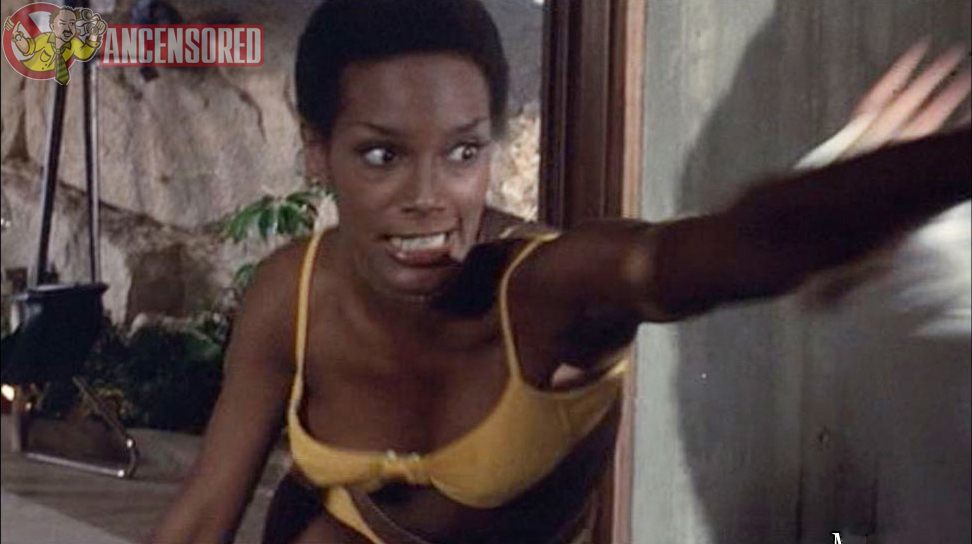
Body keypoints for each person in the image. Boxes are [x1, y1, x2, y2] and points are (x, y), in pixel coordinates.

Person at [150, 1, 971, 543]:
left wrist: (882, 186)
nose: (429, 199)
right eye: (381, 155)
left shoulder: (548, 293)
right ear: (316, 149)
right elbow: (201, 516)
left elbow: (739, 245)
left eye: (463, 152)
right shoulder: (290, 293)